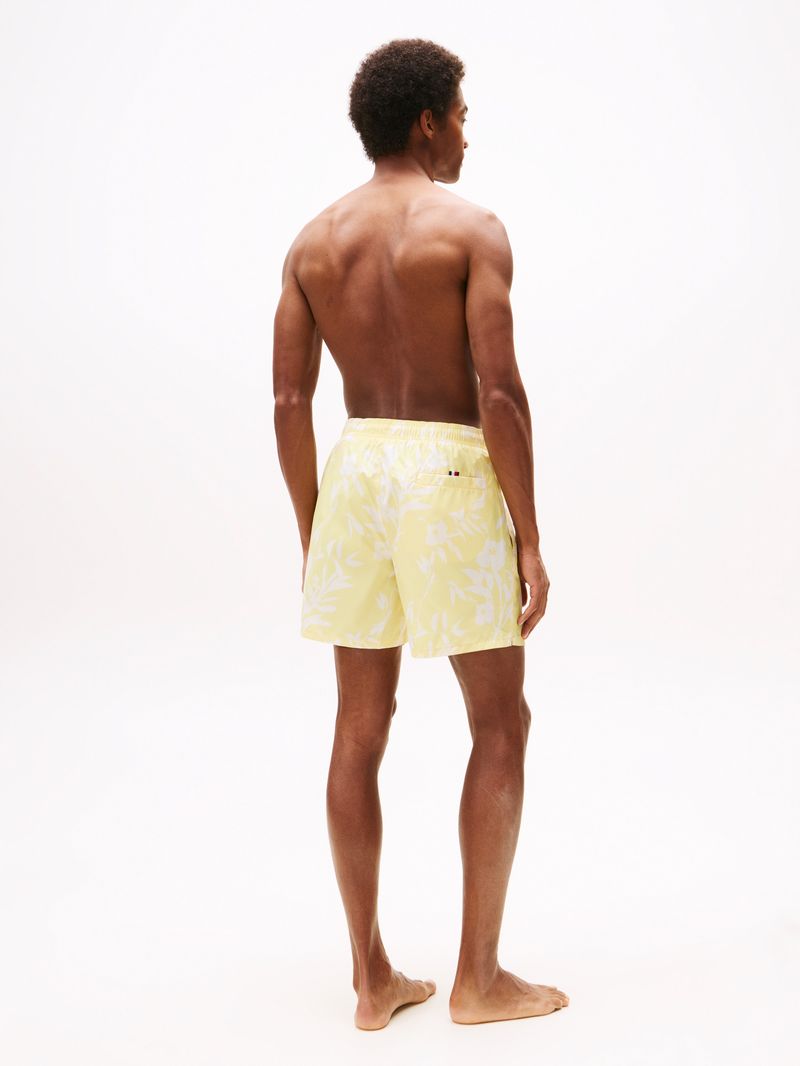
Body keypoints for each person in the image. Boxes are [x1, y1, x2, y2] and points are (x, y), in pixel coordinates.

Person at [273, 37, 568, 1030]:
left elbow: (287, 401)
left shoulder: (312, 244)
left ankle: (371, 979)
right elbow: (499, 391)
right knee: (500, 721)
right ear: (427, 121)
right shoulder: (469, 230)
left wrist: (315, 528)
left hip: (356, 469)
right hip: (446, 470)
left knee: (359, 727)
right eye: (462, 118)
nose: (467, 138)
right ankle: (477, 979)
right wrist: (529, 538)